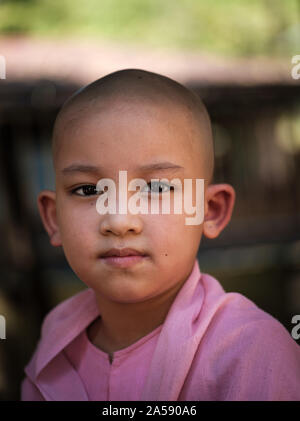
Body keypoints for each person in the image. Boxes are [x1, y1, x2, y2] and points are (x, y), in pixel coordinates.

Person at [21, 69, 300, 401]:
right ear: (54, 219)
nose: (120, 221)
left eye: (155, 187)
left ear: (210, 210)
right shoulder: (55, 344)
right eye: (87, 189)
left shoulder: (249, 350)